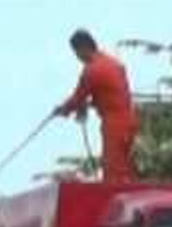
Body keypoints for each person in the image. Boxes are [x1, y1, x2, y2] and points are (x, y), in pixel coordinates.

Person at [54, 29, 140, 183]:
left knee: (113, 168)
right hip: (130, 119)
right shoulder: (114, 63)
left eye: (76, 52)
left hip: (115, 123)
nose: (78, 57)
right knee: (126, 167)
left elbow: (78, 97)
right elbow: (111, 94)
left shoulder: (92, 70)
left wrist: (63, 109)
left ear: (83, 48)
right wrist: (88, 104)